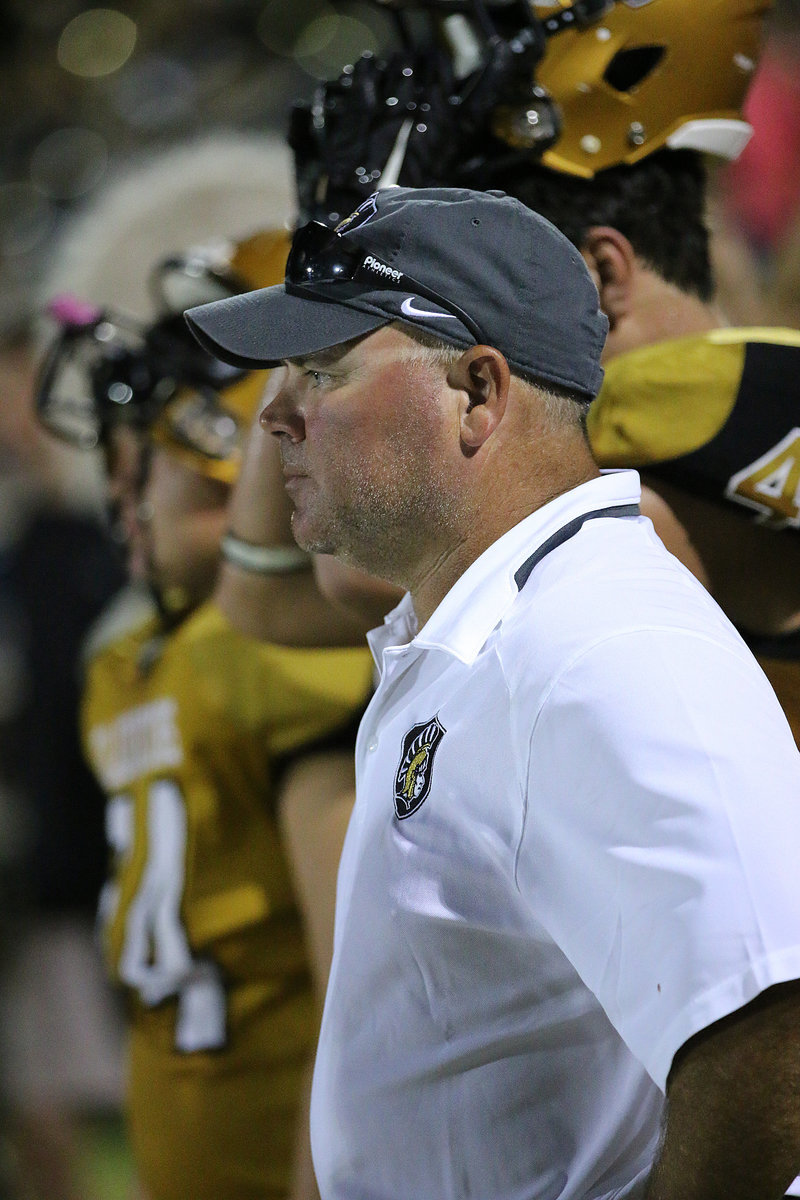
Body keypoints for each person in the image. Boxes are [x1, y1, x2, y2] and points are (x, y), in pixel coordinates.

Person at [186, 184, 800, 1200]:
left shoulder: (596, 640)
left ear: (475, 391)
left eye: (325, 369)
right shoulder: (496, 630)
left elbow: (771, 1020)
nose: (277, 416)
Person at [281, 0, 800, 750]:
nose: (451, 318)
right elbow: (273, 597)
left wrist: (346, 252)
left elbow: (318, 585)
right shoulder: (743, 391)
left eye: (485, 277)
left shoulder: (679, 412)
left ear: (599, 273)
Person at [39, 230, 375, 1200]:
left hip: (288, 1148)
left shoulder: (269, 650)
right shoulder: (126, 657)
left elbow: (351, 974)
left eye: (149, 467)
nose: (122, 502)